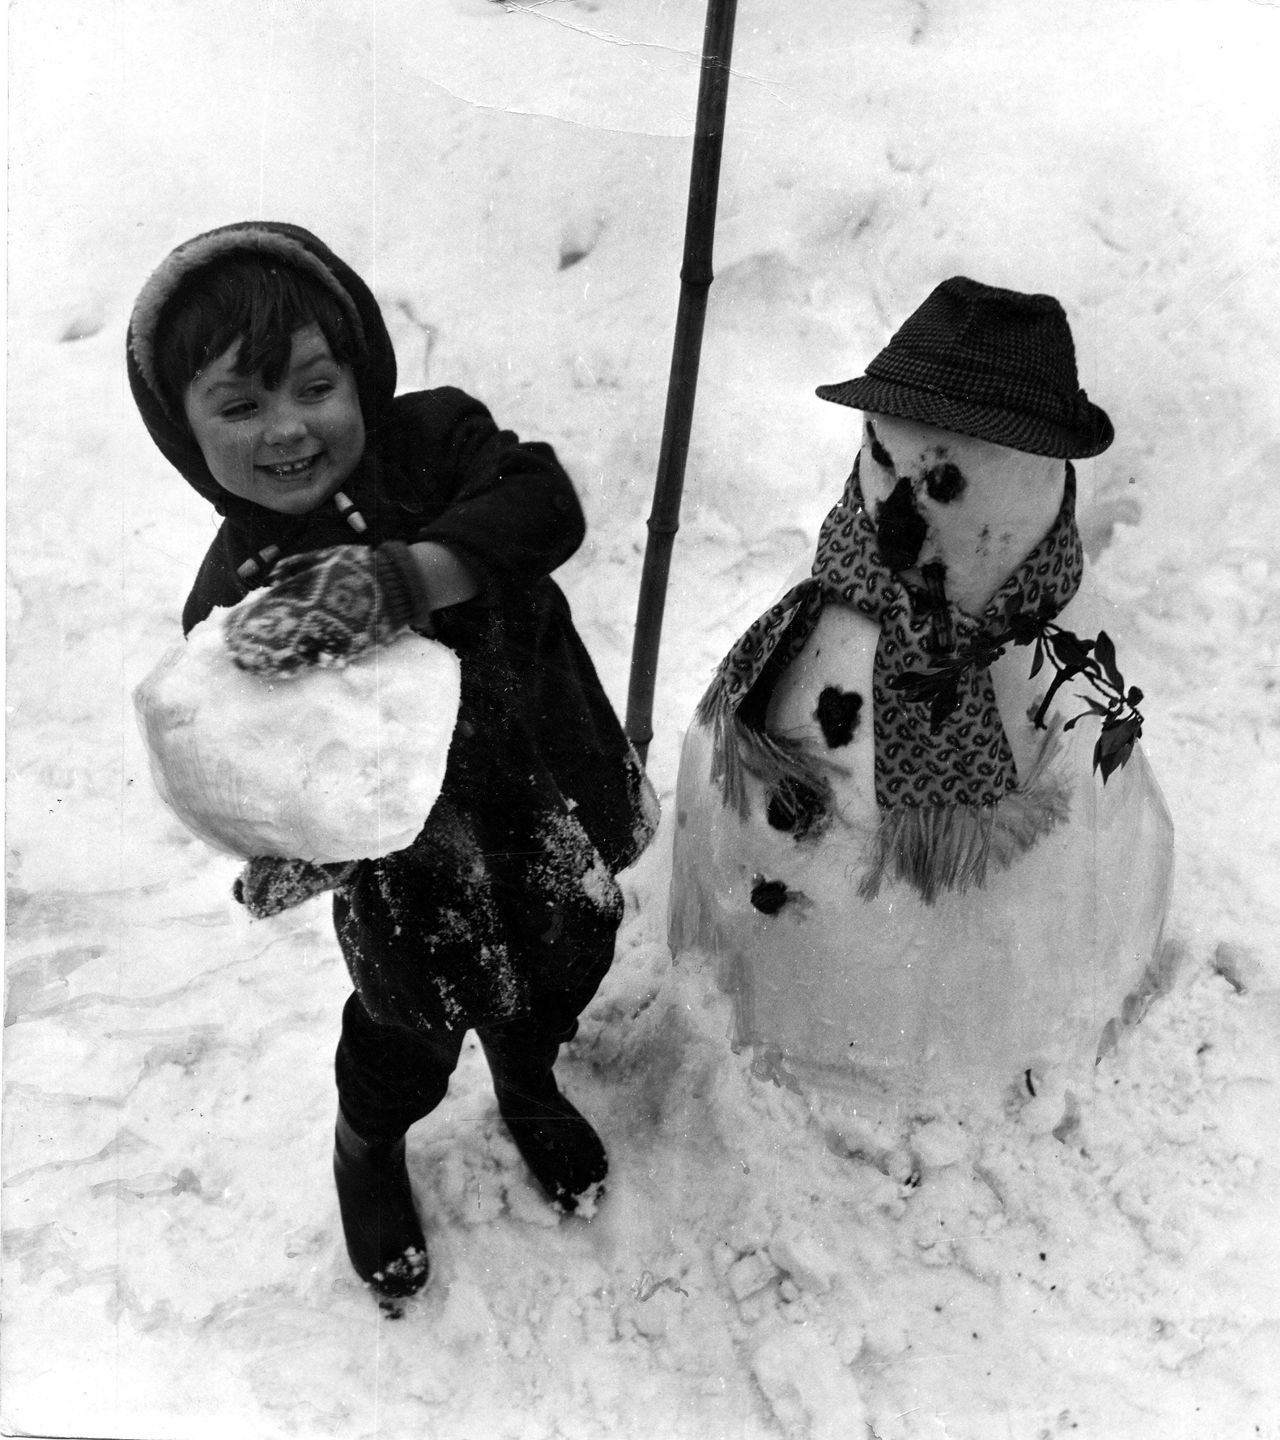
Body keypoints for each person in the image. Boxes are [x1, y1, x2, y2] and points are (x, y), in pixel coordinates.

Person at [126, 221, 657, 1303]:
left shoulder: (437, 443)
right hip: (408, 864)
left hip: (544, 780)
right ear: (185, 436)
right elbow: (242, 756)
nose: (290, 429)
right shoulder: (236, 601)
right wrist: (288, 840)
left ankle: (527, 1081)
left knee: (560, 959)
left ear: (359, 371)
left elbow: (544, 505)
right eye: (239, 406)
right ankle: (367, 1144)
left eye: (315, 385)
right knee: (408, 1022)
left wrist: (407, 579)